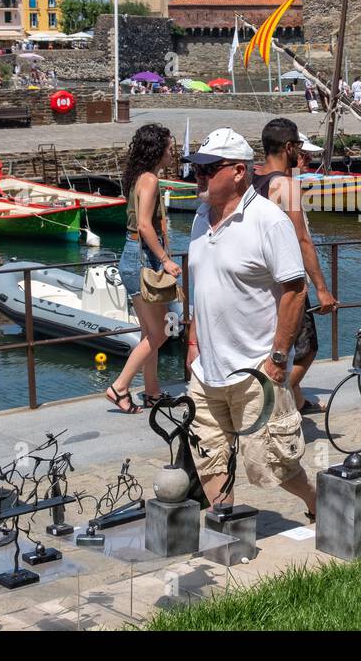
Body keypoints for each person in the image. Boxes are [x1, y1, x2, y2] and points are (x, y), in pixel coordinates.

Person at [183, 128, 316, 519]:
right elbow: (200, 288)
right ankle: (226, 526)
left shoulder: (268, 220)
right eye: (197, 169)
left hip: (256, 369)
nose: (199, 177)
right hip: (205, 372)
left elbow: (295, 289)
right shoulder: (197, 221)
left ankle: (316, 500)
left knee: (273, 464)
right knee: (209, 458)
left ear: (239, 172)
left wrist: (277, 358)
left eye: (208, 169)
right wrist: (192, 342)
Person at [252, 118, 338, 414]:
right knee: (306, 346)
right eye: (298, 148)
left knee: (272, 343)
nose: (301, 154)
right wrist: (323, 290)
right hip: (287, 280)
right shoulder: (285, 185)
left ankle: (296, 400)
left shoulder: (254, 181)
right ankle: (278, 397)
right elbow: (302, 239)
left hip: (259, 279)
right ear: (288, 147)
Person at [107, 124, 183, 413]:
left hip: (133, 256)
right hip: (142, 259)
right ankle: (119, 387)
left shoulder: (139, 178)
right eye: (168, 146)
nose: (171, 151)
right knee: (159, 333)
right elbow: (143, 226)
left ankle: (151, 392)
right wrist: (165, 259)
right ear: (156, 150)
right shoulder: (149, 180)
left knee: (149, 332)